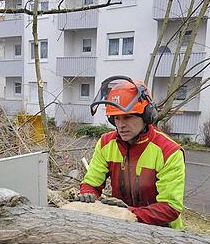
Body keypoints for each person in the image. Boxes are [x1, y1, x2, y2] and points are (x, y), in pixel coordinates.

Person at [75, 76, 186, 228]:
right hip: (121, 225)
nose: (121, 125)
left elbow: (170, 208)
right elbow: (91, 183)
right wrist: (88, 194)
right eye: (117, 118)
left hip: (162, 231)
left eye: (128, 117)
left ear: (147, 115)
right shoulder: (106, 143)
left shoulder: (168, 151)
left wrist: (128, 213)